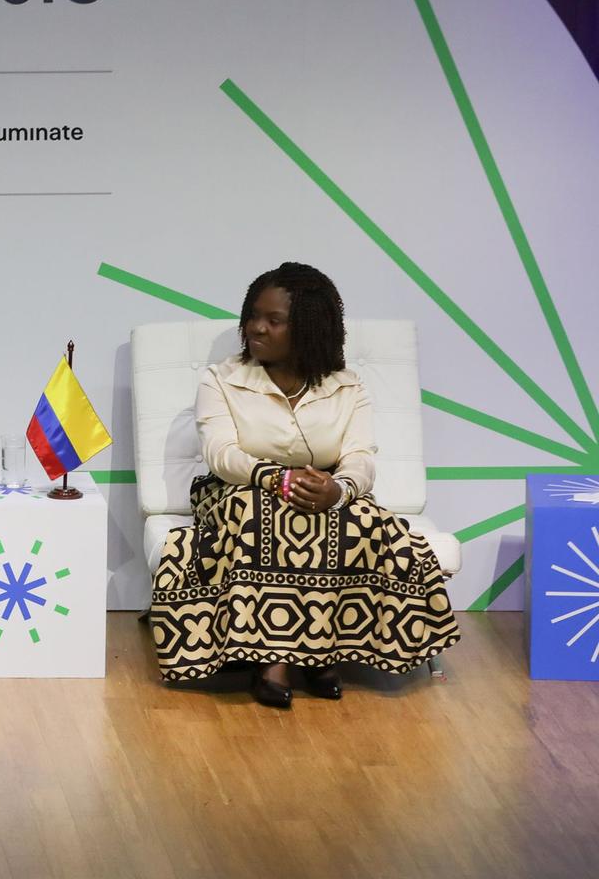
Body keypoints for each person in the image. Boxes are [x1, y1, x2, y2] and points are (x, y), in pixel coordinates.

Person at [149, 262, 461, 707]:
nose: (256, 328)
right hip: (236, 488)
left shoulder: (347, 387)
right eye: (253, 316)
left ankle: (319, 654)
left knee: (363, 521)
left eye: (273, 321)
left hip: (326, 488)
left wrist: (340, 490)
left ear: (309, 329)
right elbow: (222, 453)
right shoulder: (222, 379)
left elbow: (360, 457)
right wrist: (275, 477)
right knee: (264, 515)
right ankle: (276, 660)